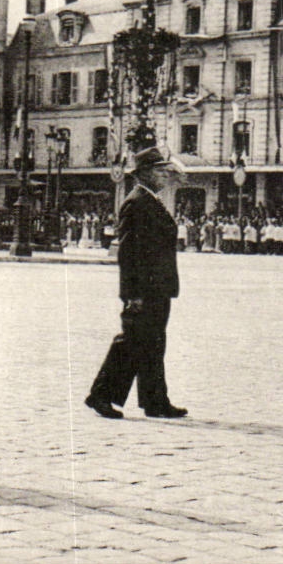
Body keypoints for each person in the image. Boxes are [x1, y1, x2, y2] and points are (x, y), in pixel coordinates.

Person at [86, 146, 188, 422]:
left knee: (153, 344)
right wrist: (131, 294)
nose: (166, 175)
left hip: (158, 287)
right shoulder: (137, 202)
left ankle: (155, 400)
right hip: (143, 290)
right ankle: (101, 395)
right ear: (143, 174)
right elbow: (129, 253)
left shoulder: (151, 200)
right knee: (131, 341)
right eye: (160, 170)